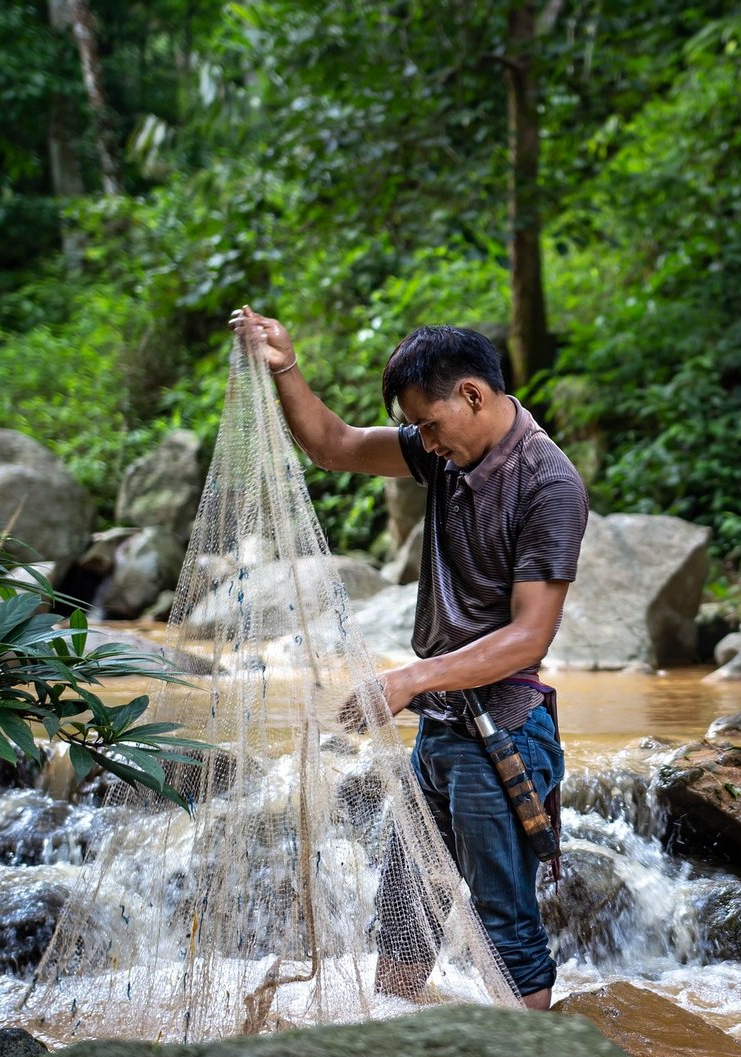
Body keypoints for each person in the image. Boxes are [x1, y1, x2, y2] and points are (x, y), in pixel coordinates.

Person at [229, 305, 587, 1011]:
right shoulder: (445, 448)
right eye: (416, 428)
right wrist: (287, 367)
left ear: (474, 396)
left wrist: (408, 678)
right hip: (441, 732)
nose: (423, 441)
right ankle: (401, 1040)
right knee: (401, 928)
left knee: (507, 935)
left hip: (503, 735)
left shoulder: (549, 483)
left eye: (429, 423)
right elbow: (333, 445)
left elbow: (529, 637)